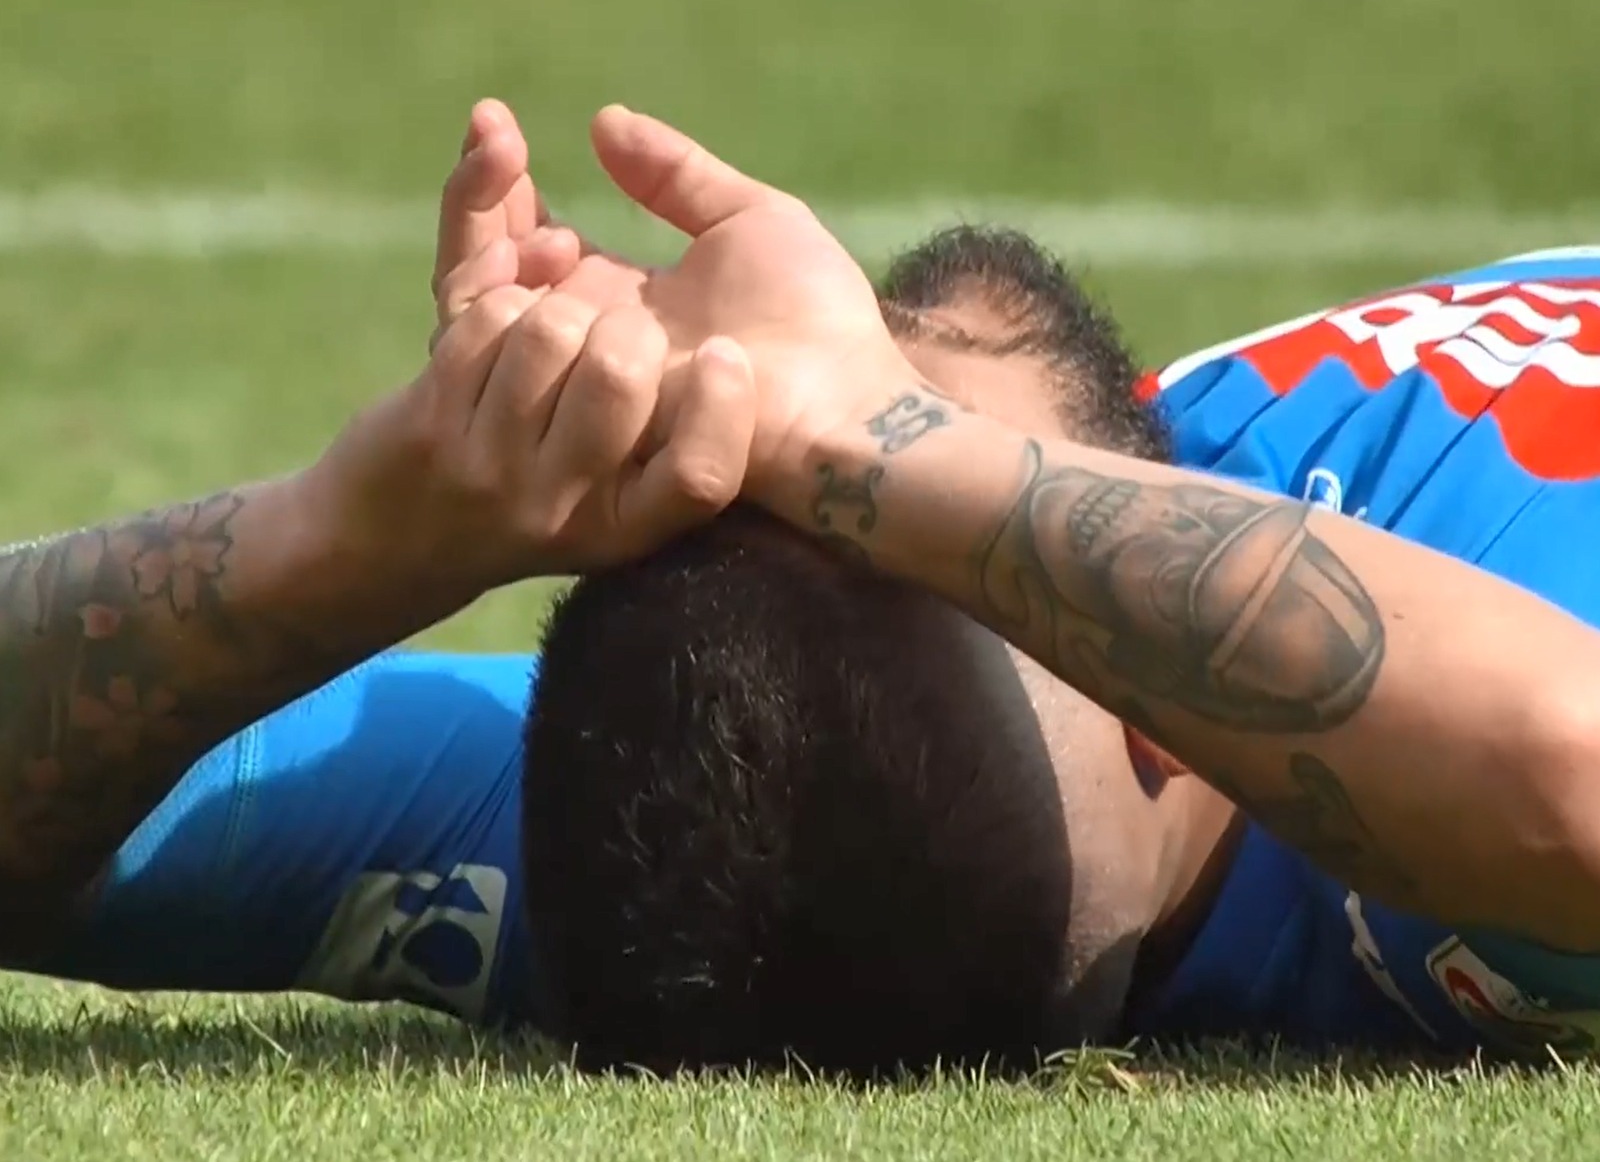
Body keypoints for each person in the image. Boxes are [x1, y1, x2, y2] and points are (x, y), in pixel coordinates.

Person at [10, 101, 1600, 1071]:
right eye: (904, 445)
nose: (771, 392)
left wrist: (351, 539)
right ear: (1162, 711)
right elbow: (1572, 777)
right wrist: (867, 439)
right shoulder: (1440, 883)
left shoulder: (694, 830)